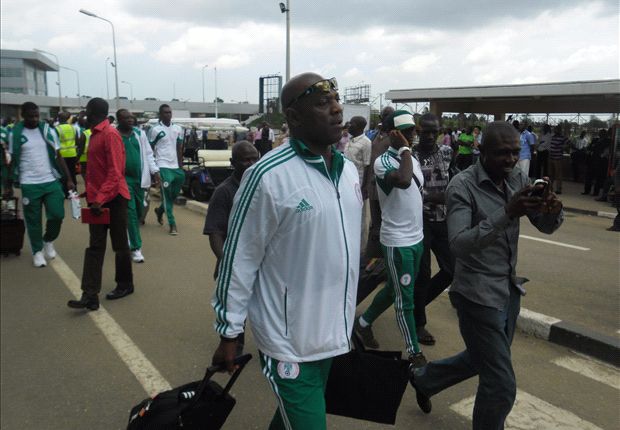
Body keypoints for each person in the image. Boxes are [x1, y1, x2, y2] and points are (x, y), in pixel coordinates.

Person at [211, 73, 362, 430]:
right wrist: (229, 331)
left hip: (333, 334)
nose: (337, 108)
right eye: (323, 103)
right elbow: (238, 258)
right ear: (293, 118)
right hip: (288, 342)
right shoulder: (266, 176)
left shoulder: (348, 172)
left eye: (336, 99)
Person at [410, 121, 564, 429]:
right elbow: (458, 244)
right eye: (501, 153)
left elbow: (544, 225)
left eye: (514, 152)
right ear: (481, 151)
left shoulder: (518, 176)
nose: (509, 159)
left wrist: (551, 211)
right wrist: (506, 212)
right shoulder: (462, 186)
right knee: (501, 386)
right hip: (476, 296)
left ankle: (425, 379)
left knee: (481, 359)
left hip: (508, 292)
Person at [354, 110, 427, 368]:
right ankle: (414, 351)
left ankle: (362, 323)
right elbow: (404, 181)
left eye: (412, 130)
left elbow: (416, 190)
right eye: (405, 131)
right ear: (392, 134)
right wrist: (404, 150)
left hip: (416, 238)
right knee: (404, 298)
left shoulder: (411, 158)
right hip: (397, 242)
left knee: (396, 288)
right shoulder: (383, 162)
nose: (412, 135)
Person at [67, 98, 133, 311]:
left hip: (114, 199)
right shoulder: (94, 135)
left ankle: (125, 284)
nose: (84, 115)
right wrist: (89, 194)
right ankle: (90, 295)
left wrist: (99, 198)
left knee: (120, 245)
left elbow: (115, 172)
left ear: (93, 112)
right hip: (98, 200)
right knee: (95, 247)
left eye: (86, 111)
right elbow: (98, 170)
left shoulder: (110, 135)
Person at [5, 102, 74, 267]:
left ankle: (48, 240)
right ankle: (37, 251)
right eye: (31, 116)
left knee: (57, 215)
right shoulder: (15, 133)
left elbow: (58, 155)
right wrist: (7, 185)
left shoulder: (47, 130)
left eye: (37, 115)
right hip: (29, 183)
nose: (35, 119)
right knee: (33, 220)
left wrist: (69, 179)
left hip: (50, 180)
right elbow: (12, 160)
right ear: (23, 115)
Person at [412, 113, 455, 346]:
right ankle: (419, 323)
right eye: (425, 131)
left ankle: (416, 307)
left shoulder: (447, 152)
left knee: (452, 269)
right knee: (423, 273)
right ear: (418, 131)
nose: (429, 136)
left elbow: (454, 180)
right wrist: (433, 196)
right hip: (420, 220)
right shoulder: (410, 155)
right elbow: (409, 190)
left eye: (434, 132)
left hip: (443, 219)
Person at [116, 109, 160, 263]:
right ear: (118, 120)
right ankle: (136, 248)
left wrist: (155, 171)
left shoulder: (139, 134)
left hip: (140, 180)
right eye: (126, 118)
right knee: (131, 212)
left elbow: (148, 153)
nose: (130, 120)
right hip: (123, 180)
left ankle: (129, 236)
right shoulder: (114, 135)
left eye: (130, 117)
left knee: (140, 210)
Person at [149, 104, 184, 235]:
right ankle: (172, 224)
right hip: (162, 166)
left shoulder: (177, 128)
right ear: (160, 114)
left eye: (169, 112)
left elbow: (179, 148)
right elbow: (149, 150)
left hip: (176, 167)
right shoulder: (155, 130)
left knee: (173, 195)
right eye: (165, 113)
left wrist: (180, 166)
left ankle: (159, 211)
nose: (168, 115)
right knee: (166, 195)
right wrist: (153, 170)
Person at [365, 106, 394, 259]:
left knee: (386, 221)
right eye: (384, 115)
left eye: (389, 115)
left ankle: (385, 256)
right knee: (375, 222)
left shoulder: (396, 137)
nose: (386, 118)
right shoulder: (375, 135)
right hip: (372, 185)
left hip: (386, 187)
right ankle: (373, 257)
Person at [344, 116, 372, 250]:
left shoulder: (366, 143)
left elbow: (367, 165)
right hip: (347, 184)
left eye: (352, 123)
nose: (349, 125)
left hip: (359, 185)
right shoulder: (349, 141)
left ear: (360, 127)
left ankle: (361, 249)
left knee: (361, 219)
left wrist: (365, 187)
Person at [55, 111, 79, 194]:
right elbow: (76, 140)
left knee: (64, 174)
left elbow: (56, 142)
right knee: (72, 173)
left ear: (59, 119)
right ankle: (74, 191)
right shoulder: (73, 128)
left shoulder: (57, 129)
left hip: (62, 155)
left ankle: (66, 192)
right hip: (72, 153)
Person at [548, 125, 568, 194]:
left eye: (556, 129)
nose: (555, 131)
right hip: (551, 157)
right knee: (551, 174)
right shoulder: (553, 137)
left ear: (559, 130)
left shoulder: (563, 138)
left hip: (558, 158)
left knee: (558, 174)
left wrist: (562, 148)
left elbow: (568, 144)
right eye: (555, 129)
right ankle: (550, 188)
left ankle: (559, 189)